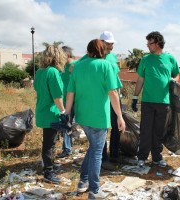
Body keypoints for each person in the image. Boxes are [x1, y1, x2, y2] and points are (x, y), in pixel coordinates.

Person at [65, 39, 125, 199]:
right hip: (99, 117)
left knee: (93, 148)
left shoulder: (77, 67)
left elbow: (70, 92)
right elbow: (113, 93)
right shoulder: (106, 66)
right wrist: (119, 116)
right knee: (97, 152)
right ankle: (94, 190)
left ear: (89, 51)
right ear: (102, 51)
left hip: (83, 116)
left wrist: (66, 113)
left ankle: (83, 182)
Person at [131, 31, 180, 168]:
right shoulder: (145, 60)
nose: (147, 45)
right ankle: (142, 157)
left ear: (158, 43)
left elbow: (177, 75)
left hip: (164, 102)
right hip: (147, 101)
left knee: (159, 131)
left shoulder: (170, 59)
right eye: (147, 43)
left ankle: (157, 158)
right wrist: (135, 97)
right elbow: (140, 79)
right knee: (146, 130)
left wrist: (173, 80)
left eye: (150, 43)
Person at [34, 44, 68, 184]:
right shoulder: (53, 72)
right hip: (51, 113)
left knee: (50, 141)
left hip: (42, 111)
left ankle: (49, 165)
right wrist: (63, 111)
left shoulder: (40, 72)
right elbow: (57, 96)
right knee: (49, 143)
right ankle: (48, 172)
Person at [99, 31, 123, 170]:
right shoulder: (96, 58)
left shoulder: (112, 57)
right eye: (109, 44)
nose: (111, 46)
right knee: (103, 127)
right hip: (103, 98)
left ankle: (114, 154)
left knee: (117, 126)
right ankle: (103, 158)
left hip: (115, 96)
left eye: (112, 43)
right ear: (101, 43)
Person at [55, 46, 75, 159]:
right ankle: (67, 149)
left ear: (67, 56)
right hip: (64, 101)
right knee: (66, 125)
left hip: (76, 100)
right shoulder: (62, 68)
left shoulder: (76, 65)